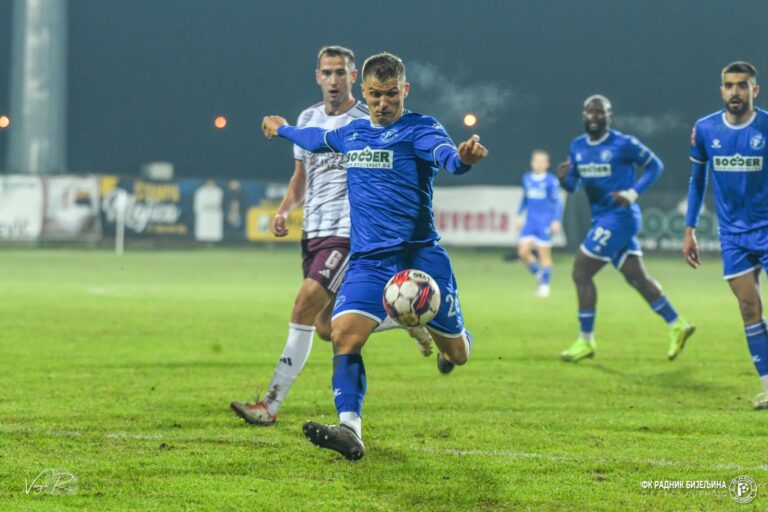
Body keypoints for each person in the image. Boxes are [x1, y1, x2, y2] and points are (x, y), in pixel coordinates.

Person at [261, 52, 488, 460]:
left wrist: (463, 160)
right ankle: (350, 429)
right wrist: (283, 130)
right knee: (343, 335)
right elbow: (315, 140)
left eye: (391, 95)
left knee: (458, 354)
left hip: (420, 260)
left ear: (405, 90)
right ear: (363, 92)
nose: (384, 104)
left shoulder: (420, 129)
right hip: (368, 262)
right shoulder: (352, 134)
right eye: (375, 95)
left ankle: (450, 345)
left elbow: (447, 157)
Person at [230, 46, 432, 428]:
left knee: (303, 306)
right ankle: (409, 314)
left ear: (354, 77)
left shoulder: (366, 119)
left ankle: (269, 405)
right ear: (317, 76)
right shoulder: (308, 118)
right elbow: (301, 176)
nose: (334, 79)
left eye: (341, 72)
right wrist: (284, 209)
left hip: (347, 233)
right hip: (314, 232)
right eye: (327, 72)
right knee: (326, 328)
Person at [558, 95, 694, 363]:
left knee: (580, 271)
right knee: (637, 278)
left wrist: (634, 192)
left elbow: (656, 165)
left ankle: (586, 341)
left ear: (610, 117)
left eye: (601, 113)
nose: (595, 117)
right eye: (590, 112)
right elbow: (573, 186)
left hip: (620, 218)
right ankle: (677, 324)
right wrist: (563, 180)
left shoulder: (623, 143)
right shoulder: (577, 147)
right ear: (583, 116)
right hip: (603, 219)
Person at [685, 61, 768, 409]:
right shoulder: (705, 129)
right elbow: (697, 180)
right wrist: (689, 228)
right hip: (732, 235)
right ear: (722, 90)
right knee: (749, 308)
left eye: (741, 85)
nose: (735, 91)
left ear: (754, 90)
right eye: (729, 85)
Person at [515, 149, 562, 297]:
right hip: (530, 221)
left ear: (547, 164)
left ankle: (545, 287)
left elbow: (557, 202)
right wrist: (518, 215)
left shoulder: (551, 181)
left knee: (544, 256)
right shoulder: (527, 178)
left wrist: (556, 220)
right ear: (532, 162)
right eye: (536, 161)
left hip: (544, 222)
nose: (539, 164)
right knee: (522, 253)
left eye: (542, 161)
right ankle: (540, 275)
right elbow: (525, 199)